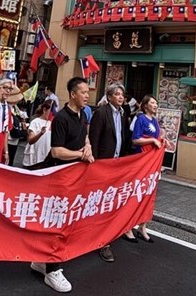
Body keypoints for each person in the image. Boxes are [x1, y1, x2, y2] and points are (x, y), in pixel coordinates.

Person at [31, 77, 94, 293]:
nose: (87, 95)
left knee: (68, 221)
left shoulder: (83, 114)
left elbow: (85, 137)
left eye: (88, 92)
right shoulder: (61, 118)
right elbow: (57, 151)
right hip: (59, 177)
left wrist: (88, 147)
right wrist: (80, 155)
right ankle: (52, 270)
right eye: (83, 92)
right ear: (73, 94)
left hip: (75, 177)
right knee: (57, 222)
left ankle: (41, 261)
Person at [89, 82, 132, 262]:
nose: (121, 97)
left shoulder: (123, 114)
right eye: (117, 94)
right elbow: (94, 139)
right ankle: (101, 242)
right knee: (100, 203)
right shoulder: (101, 113)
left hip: (117, 165)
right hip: (102, 165)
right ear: (109, 97)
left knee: (110, 203)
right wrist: (95, 165)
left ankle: (104, 237)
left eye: (122, 94)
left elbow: (124, 138)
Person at [129, 94, 166, 243]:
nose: (155, 105)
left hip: (153, 163)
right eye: (152, 103)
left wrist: (162, 140)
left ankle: (142, 226)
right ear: (145, 106)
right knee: (136, 194)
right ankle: (128, 227)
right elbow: (136, 139)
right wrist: (151, 140)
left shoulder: (155, 121)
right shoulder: (141, 119)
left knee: (149, 195)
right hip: (142, 161)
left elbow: (157, 139)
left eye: (156, 103)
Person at [22, 100, 53, 170]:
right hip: (34, 158)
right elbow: (30, 140)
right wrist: (40, 133)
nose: (52, 114)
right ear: (44, 110)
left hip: (45, 159)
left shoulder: (53, 123)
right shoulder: (35, 122)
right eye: (51, 111)